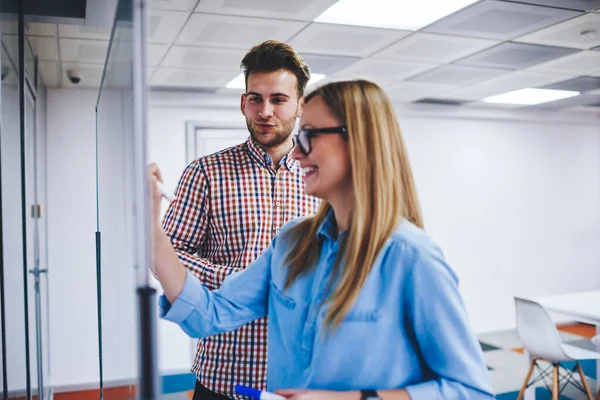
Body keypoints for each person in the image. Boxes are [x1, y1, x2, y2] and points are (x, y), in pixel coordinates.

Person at [150, 79, 494, 399]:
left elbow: (472, 390)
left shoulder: (412, 258)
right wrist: (150, 229)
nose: (296, 154)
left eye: (309, 135)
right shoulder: (292, 243)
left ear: (358, 140)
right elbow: (209, 314)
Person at [158, 40, 320, 399]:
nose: (265, 111)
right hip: (225, 372)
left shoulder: (322, 176)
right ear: (243, 102)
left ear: (300, 105)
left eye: (278, 99)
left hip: (302, 377)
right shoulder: (206, 173)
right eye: (255, 98)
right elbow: (167, 252)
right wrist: (236, 281)